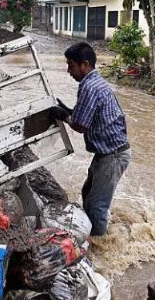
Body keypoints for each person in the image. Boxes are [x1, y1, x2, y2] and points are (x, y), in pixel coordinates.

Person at [50, 42, 131, 236]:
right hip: (108, 153)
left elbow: (79, 126)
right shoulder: (94, 83)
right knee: (88, 194)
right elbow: (85, 116)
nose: (68, 70)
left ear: (84, 64)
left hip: (113, 155)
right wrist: (68, 111)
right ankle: (96, 231)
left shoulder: (89, 87)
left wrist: (63, 115)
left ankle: (102, 244)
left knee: (96, 206)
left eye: (71, 65)